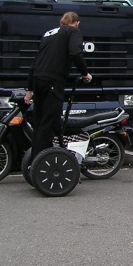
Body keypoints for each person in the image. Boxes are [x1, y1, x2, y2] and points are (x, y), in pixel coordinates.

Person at [25, 12, 92, 159]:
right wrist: (85, 73)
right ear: (77, 23)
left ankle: (33, 159)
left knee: (39, 121)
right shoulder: (73, 31)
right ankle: (42, 162)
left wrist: (30, 89)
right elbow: (76, 53)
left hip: (38, 80)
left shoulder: (48, 34)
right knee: (50, 121)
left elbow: (35, 62)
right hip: (53, 81)